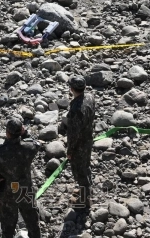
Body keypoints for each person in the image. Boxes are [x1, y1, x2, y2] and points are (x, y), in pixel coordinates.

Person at [0, 118, 42, 238]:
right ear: (20, 131)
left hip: (8, 193)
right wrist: (26, 134)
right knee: (32, 222)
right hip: (25, 190)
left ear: (7, 133)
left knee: (8, 228)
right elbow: (37, 144)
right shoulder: (28, 147)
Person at [58, 75, 95, 211]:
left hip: (80, 145)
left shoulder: (76, 110)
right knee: (85, 165)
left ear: (72, 88)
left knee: (80, 171)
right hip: (88, 138)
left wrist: (70, 151)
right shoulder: (90, 97)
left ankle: (83, 200)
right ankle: (85, 189)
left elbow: (73, 134)